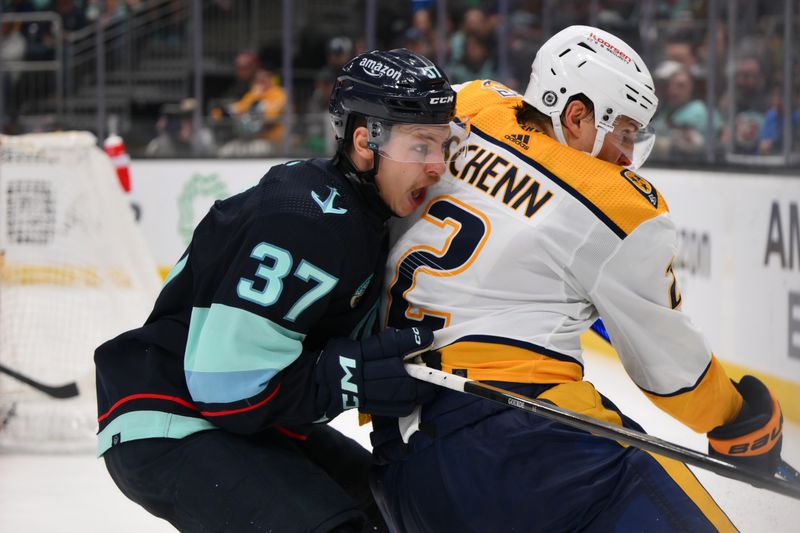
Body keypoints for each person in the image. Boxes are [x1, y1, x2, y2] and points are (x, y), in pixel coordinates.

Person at [371, 26, 785, 532]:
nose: (628, 156)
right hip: (533, 448)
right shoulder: (617, 203)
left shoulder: (468, 105)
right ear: (577, 114)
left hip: (400, 460)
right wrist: (741, 420)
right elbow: (674, 375)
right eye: (626, 132)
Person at [94, 48, 463, 532]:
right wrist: (345, 377)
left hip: (252, 424)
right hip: (174, 417)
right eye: (421, 146)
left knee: (399, 510)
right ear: (364, 142)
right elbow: (225, 387)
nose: (437, 165)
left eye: (443, 145)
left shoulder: (363, 212)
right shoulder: (306, 219)